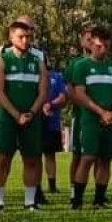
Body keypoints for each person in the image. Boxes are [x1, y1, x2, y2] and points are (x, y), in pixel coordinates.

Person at [0, 20, 48, 212]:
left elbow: (43, 92)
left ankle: (30, 202)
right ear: (11, 37)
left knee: (31, 159)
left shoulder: (38, 62)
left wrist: (31, 113)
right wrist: (16, 115)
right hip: (7, 118)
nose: (25, 40)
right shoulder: (3, 60)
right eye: (21, 37)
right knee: (3, 159)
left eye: (28, 37)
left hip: (32, 118)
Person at [70, 26, 112, 209]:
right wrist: (101, 112)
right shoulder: (81, 66)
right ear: (91, 44)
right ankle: (77, 200)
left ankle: (99, 199)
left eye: (106, 46)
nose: (103, 50)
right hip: (90, 120)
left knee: (106, 160)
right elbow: (80, 94)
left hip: (111, 120)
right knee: (87, 158)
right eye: (99, 46)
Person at [66, 26, 97, 188]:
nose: (91, 42)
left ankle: (100, 193)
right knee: (77, 155)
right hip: (80, 116)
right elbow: (69, 89)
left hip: (99, 117)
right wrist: (84, 105)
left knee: (99, 157)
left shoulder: (105, 63)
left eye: (94, 39)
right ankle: (74, 190)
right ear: (82, 41)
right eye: (88, 39)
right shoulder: (75, 64)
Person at [42, 59, 68, 201]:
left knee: (50, 154)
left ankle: (52, 185)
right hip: (35, 120)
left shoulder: (57, 77)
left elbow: (63, 97)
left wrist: (50, 105)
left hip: (52, 122)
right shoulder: (34, 75)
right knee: (33, 155)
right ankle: (35, 186)